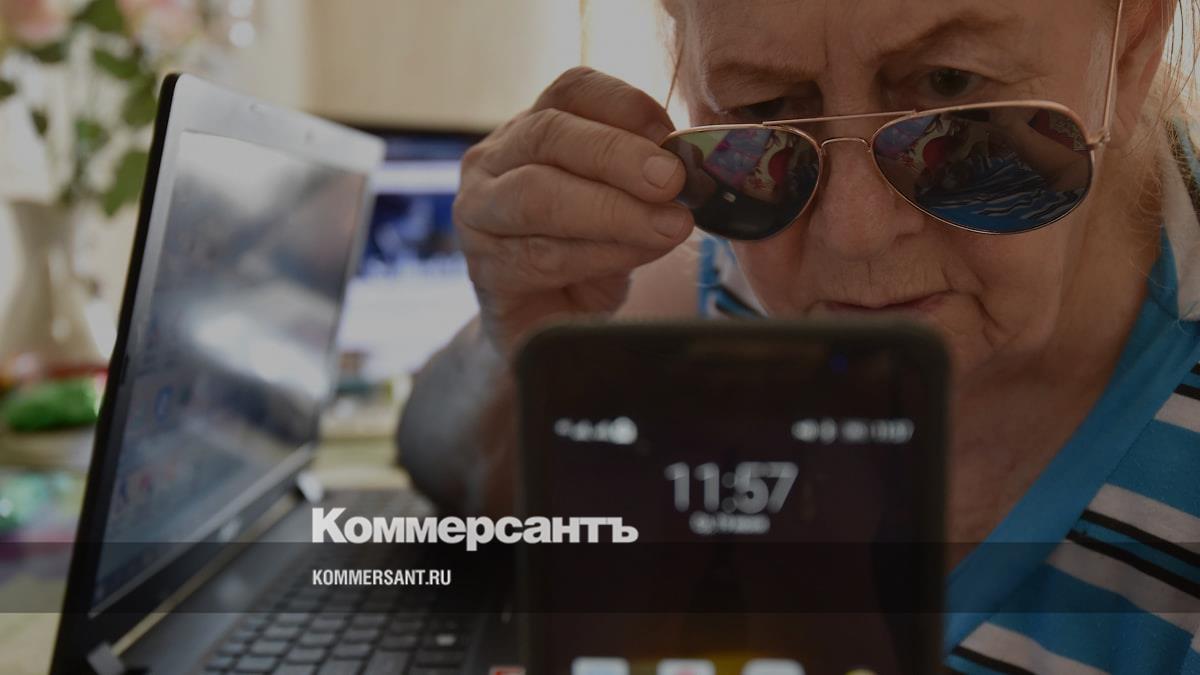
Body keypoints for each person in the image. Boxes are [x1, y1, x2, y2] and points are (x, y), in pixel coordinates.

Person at [398, 0, 1200, 670]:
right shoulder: (722, 257)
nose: (852, 233)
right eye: (765, 108)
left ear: (1130, 45)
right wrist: (516, 346)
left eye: (951, 90)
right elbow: (445, 458)